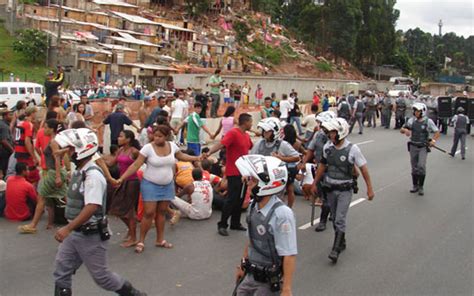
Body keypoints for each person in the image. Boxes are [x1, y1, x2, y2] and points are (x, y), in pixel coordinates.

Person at [52, 128, 146, 296]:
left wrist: (67, 228)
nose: (69, 152)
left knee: (102, 277)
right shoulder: (80, 171)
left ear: (82, 150)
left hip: (90, 234)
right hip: (75, 232)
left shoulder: (93, 175)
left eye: (72, 148)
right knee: (62, 268)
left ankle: (135, 295)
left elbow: (92, 206)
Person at [115, 125, 200, 253]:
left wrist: (196, 158)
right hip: (150, 184)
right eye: (155, 136)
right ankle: (141, 241)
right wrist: (122, 178)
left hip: (167, 184)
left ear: (166, 137)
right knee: (149, 213)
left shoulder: (172, 146)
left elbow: (181, 156)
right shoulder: (147, 148)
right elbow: (136, 164)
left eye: (160, 136)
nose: (156, 139)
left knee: (161, 212)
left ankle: (160, 240)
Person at [311, 118, 375, 263]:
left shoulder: (353, 149)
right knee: (334, 218)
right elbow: (322, 166)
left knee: (339, 218)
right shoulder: (328, 148)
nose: (330, 135)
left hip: (345, 190)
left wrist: (369, 189)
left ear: (340, 132)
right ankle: (342, 241)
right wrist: (315, 183)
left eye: (332, 132)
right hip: (330, 189)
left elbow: (364, 169)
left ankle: (335, 249)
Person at [234, 155, 297, 296]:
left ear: (267, 184)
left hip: (268, 281)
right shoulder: (253, 206)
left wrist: (287, 288)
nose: (249, 183)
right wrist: (242, 265)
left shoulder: (282, 214)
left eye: (254, 180)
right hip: (250, 275)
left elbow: (289, 254)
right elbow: (251, 240)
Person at [205, 113, 253, 236]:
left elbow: (250, 148)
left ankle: (235, 223)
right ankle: (222, 224)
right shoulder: (233, 133)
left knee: (240, 198)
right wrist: (209, 152)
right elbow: (221, 144)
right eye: (250, 122)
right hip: (233, 172)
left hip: (244, 173)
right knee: (231, 199)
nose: (252, 124)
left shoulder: (247, 136)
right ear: (245, 122)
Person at [18, 119, 68, 234]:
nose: (44, 130)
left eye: (46, 127)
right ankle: (73, 220)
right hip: (57, 171)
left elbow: (57, 158)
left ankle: (33, 225)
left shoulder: (53, 141)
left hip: (53, 172)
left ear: (52, 129)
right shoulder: (57, 140)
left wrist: (57, 175)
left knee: (42, 197)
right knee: (62, 196)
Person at [98, 130, 141, 248]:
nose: (118, 138)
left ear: (128, 139)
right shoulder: (121, 150)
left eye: (121, 136)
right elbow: (111, 163)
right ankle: (131, 230)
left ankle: (133, 237)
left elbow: (141, 163)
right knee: (118, 210)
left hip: (132, 182)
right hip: (122, 181)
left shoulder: (134, 152)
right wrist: (99, 159)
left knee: (129, 211)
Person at [299, 111, 336, 231]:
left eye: (322, 123)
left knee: (330, 196)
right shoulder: (318, 135)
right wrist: (304, 163)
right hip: (320, 168)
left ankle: (325, 218)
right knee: (322, 194)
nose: (320, 126)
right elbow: (310, 149)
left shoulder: (337, 136)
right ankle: (326, 215)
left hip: (333, 170)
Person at [251, 118, 300, 207]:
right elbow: (252, 156)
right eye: (264, 131)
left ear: (275, 132)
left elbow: (296, 157)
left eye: (268, 131)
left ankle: (288, 209)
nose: (265, 133)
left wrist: (281, 158)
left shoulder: (283, 144)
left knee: (286, 192)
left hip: (279, 175)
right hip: (264, 175)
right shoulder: (259, 143)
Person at [400, 103, 440, 196]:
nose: (416, 113)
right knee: (414, 167)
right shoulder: (411, 120)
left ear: (423, 112)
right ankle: (415, 185)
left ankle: (421, 186)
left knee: (421, 166)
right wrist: (405, 130)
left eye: (418, 111)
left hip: (422, 147)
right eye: (415, 111)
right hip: (413, 146)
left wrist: (433, 141)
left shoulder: (428, 121)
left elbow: (437, 132)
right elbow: (402, 129)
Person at [14, 106, 40, 185]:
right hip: (25, 153)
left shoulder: (20, 123)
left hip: (18, 152)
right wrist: (34, 156)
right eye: (36, 113)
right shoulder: (28, 124)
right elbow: (27, 141)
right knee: (33, 175)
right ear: (32, 113)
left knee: (22, 173)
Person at [0, 106, 14, 178]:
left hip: (4, 151)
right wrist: (12, 151)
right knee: (4, 169)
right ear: (5, 116)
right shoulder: (4, 126)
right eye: (10, 115)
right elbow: (3, 140)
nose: (12, 116)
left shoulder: (4, 124)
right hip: (4, 152)